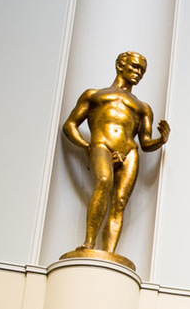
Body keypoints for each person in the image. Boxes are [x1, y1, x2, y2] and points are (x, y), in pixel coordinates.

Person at [62, 51, 171, 256]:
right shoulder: (95, 95)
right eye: (135, 67)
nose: (138, 73)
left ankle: (109, 253)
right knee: (104, 181)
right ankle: (89, 243)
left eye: (142, 70)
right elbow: (70, 125)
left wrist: (161, 140)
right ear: (120, 65)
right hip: (101, 144)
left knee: (120, 201)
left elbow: (145, 142)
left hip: (129, 151)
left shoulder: (142, 107)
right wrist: (87, 146)